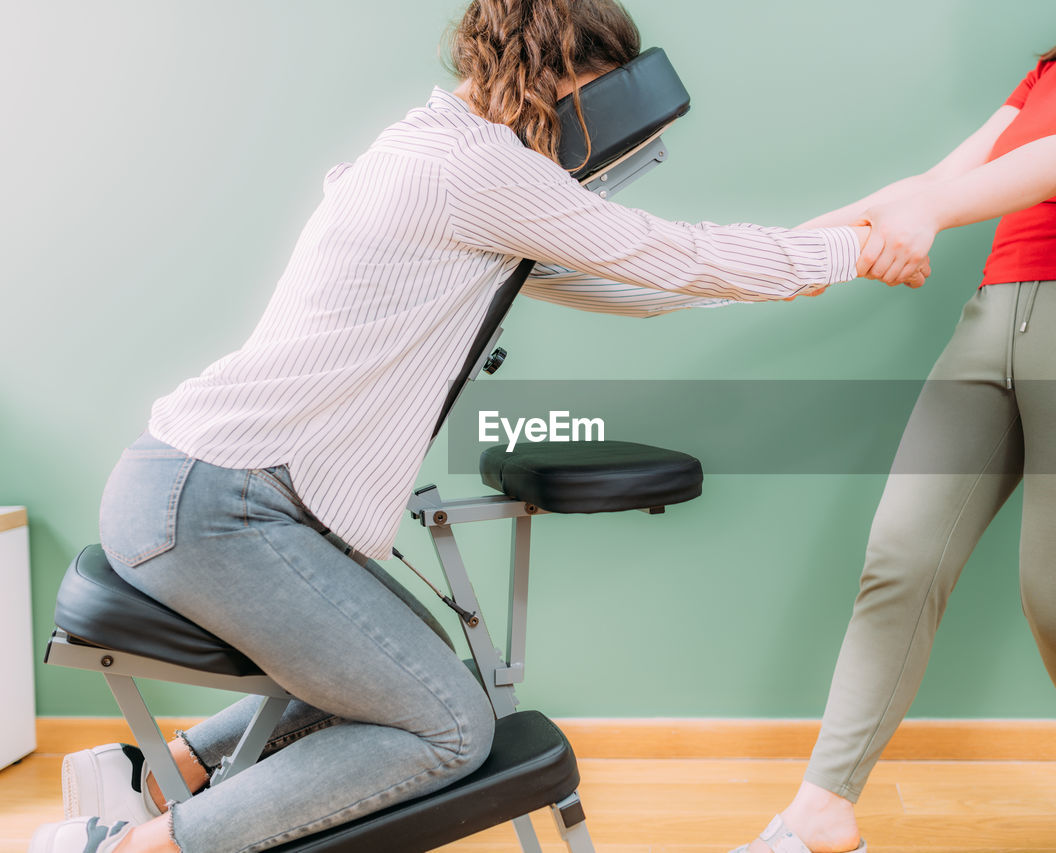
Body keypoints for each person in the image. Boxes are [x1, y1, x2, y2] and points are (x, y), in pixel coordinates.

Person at [29, 1, 907, 851]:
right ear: (557, 73)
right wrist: (850, 252)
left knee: (419, 671)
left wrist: (814, 252)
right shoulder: (478, 170)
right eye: (598, 94)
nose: (595, 129)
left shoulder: (438, 155)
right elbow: (671, 256)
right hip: (214, 502)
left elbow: (633, 287)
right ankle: (132, 846)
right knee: (450, 727)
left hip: (197, 487)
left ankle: (159, 774)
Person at [733, 1, 1056, 853]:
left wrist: (929, 221)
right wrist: (785, 254)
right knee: (900, 555)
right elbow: (939, 179)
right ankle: (823, 809)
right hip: (995, 317)